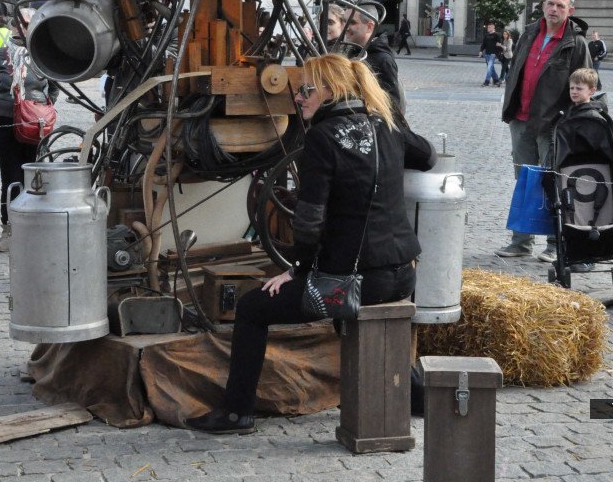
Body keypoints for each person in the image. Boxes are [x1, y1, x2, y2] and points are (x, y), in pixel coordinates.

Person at [185, 53, 436, 435]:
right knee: (344, 310)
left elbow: (308, 222)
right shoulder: (385, 123)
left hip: (354, 284)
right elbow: (428, 156)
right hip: (402, 275)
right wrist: (392, 125)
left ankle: (236, 412)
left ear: (331, 91)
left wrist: (297, 271)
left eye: (307, 90)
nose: (299, 97)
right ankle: (419, 396)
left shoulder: (322, 136)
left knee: (252, 308)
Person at [497, 0, 591, 262]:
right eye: (551, 4)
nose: (554, 9)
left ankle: (555, 243)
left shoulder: (576, 43)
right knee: (524, 183)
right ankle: (521, 242)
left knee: (554, 183)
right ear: (543, 6)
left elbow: (586, 84)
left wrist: (574, 121)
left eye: (561, 6)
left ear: (570, 10)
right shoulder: (529, 33)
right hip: (521, 119)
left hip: (553, 124)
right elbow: (516, 71)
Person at [0, 13, 58, 253]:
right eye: (21, 24)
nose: (24, 29)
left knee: (34, 176)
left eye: (30, 24)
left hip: (35, 124)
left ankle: (33, 231)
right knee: (11, 178)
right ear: (13, 27)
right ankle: (9, 230)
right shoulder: (0, 55)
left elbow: (54, 88)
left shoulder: (44, 54)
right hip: (4, 122)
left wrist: (39, 108)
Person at [343, 6, 404, 113]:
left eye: (352, 22)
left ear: (370, 26)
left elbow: (391, 104)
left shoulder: (383, 59)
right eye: (344, 21)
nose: (346, 27)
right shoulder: (350, 52)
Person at [479, 22, 502, 87]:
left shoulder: (496, 35)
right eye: (488, 27)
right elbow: (483, 44)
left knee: (489, 68)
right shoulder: (486, 35)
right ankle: (496, 80)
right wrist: (481, 51)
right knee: (491, 68)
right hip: (487, 54)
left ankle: (487, 82)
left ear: (493, 27)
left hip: (493, 54)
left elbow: (499, 44)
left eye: (489, 27)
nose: (488, 28)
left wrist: (499, 53)